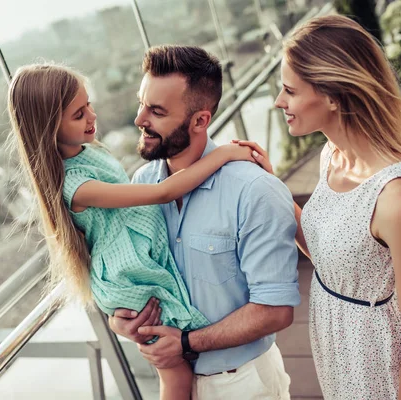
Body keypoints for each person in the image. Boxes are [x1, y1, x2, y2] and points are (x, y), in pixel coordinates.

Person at [6, 63, 261, 400]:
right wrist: (225, 153)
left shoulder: (89, 152)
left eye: (89, 105)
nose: (92, 117)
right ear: (50, 128)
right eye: (79, 114)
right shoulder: (74, 185)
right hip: (129, 275)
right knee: (175, 376)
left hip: (138, 261)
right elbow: (162, 192)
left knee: (177, 365)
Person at [242, 15, 401, 399]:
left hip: (378, 368)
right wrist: (272, 184)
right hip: (337, 347)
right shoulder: (331, 156)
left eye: (290, 91)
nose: (279, 101)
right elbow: (330, 252)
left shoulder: (397, 196)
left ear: (332, 95)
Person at [108, 45, 300, 400]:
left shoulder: (254, 189)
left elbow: (275, 311)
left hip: (242, 384)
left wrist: (184, 343)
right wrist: (120, 321)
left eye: (157, 111)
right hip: (172, 382)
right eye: (141, 103)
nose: (139, 119)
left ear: (200, 121)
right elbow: (130, 279)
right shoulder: (140, 186)